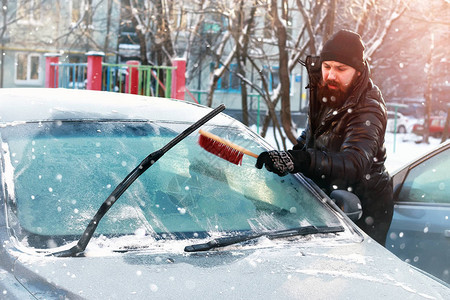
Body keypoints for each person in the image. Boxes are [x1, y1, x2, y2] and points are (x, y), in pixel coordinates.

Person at [255, 29, 393, 246]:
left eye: (341, 69)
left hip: (362, 208)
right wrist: (292, 156)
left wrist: (304, 161)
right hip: (330, 201)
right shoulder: (329, 91)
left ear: (358, 71)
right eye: (327, 66)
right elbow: (312, 135)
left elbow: (354, 162)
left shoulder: (369, 109)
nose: (330, 75)